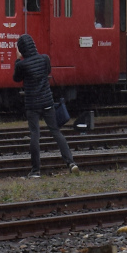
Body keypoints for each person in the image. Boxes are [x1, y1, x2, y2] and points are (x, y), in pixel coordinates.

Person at [13, 33, 78, 178]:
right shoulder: (45, 59)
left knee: (35, 134)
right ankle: (71, 162)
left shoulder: (22, 64)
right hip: (47, 101)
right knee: (56, 132)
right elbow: (47, 72)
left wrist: (17, 59)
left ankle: (35, 171)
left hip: (32, 104)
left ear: (22, 49)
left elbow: (16, 78)